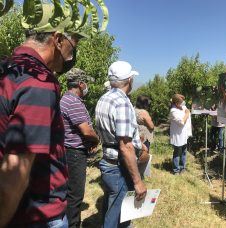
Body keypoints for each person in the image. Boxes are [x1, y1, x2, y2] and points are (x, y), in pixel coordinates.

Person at [0, 2, 108, 227]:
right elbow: (14, 174)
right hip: (38, 214)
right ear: (57, 39)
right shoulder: (38, 82)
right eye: (73, 44)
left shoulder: (10, 69)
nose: (72, 53)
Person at [95, 61, 147, 228]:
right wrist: (138, 182)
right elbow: (125, 146)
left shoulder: (105, 98)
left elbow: (115, 133)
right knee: (116, 217)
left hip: (108, 161)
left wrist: (136, 138)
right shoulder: (122, 102)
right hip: (119, 167)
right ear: (129, 79)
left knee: (112, 207)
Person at [60, 68, 99, 228]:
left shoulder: (66, 99)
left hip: (70, 151)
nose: (87, 86)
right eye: (86, 83)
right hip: (74, 154)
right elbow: (86, 130)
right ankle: (73, 224)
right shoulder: (73, 102)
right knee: (75, 194)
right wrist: (96, 140)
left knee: (71, 192)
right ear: (81, 84)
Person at [169, 94, 192, 175]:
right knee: (177, 152)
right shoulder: (173, 111)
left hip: (184, 134)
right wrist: (187, 113)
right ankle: (176, 169)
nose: (183, 103)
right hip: (178, 135)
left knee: (184, 152)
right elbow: (181, 122)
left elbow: (186, 110)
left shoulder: (182, 107)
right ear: (176, 103)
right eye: (181, 102)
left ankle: (182, 167)